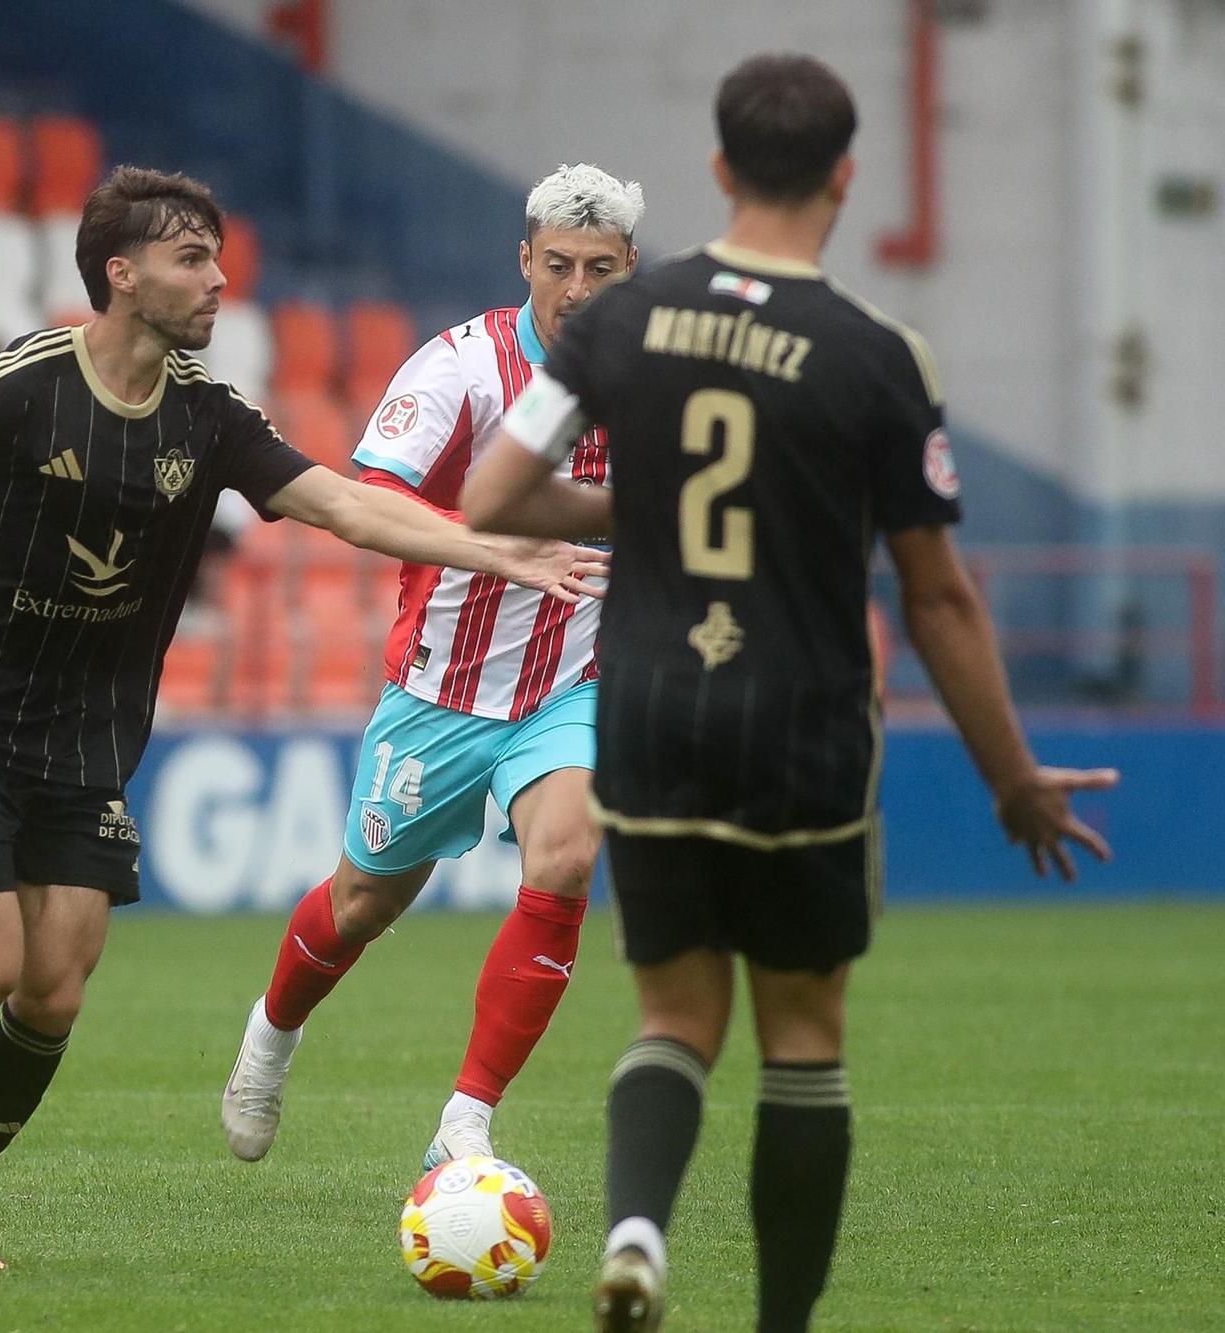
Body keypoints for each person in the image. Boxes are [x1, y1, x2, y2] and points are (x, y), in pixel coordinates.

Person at [0, 166, 610, 1271]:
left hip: (90, 728)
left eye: (217, 258)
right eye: (192, 259)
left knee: (54, 989)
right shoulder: (21, 385)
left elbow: (345, 505)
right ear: (122, 275)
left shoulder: (210, 416)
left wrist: (492, 549)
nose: (218, 281)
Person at [460, 55, 1118, 1333]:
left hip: (650, 714)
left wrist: (639, 506)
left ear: (717, 169)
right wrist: (1010, 778)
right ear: (844, 178)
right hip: (802, 724)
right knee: (801, 1036)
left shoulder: (619, 322)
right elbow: (936, 597)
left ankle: (635, 1231)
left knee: (671, 1015)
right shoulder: (876, 355)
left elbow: (493, 496)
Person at [219, 163, 640, 1169]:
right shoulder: (462, 367)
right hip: (442, 688)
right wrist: (501, 545)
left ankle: (465, 1121)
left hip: (573, 684)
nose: (578, 289)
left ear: (631, 270)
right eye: (558, 265)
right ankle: (270, 1033)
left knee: (566, 856)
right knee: (361, 903)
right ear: (523, 260)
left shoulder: (661, 382)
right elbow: (367, 500)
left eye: (599, 268)